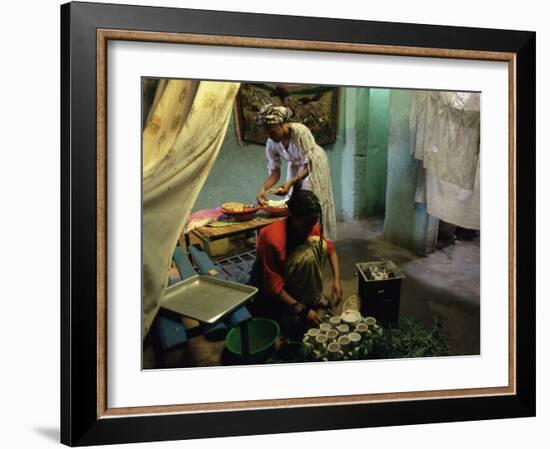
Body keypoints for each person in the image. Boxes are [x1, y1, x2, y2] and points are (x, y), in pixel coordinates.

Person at [251, 188, 343, 334]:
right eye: (307, 223)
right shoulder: (274, 239)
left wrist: (337, 281)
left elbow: (330, 250)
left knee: (319, 244)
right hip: (267, 280)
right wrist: (301, 309)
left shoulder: (309, 223)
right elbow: (272, 285)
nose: (311, 227)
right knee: (307, 255)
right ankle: (292, 306)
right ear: (292, 216)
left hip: (291, 270)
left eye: (314, 221)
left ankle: (311, 297)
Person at [256, 104, 338, 240]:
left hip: (313, 164)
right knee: (295, 201)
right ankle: (299, 237)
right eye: (266, 133)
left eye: (272, 131)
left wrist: (291, 182)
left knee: (310, 201)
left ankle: (317, 238)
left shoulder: (300, 132)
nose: (269, 136)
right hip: (296, 165)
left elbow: (308, 165)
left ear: (283, 124)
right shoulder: (271, 142)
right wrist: (263, 189)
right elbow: (275, 171)